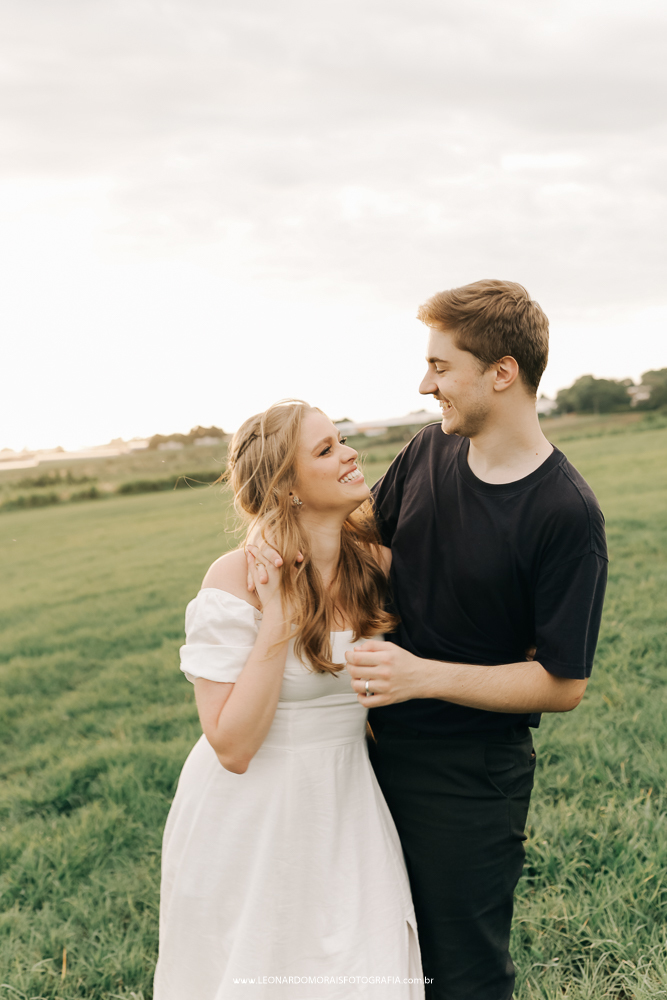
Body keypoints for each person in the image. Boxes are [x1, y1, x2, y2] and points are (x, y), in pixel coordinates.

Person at [342, 280, 609, 1000]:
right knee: (376, 948)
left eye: (440, 366)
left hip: (467, 777)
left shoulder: (565, 512)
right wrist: (275, 547)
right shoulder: (426, 450)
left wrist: (419, 676)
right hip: (363, 749)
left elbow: (562, 683)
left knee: (459, 970)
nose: (424, 385)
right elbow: (360, 538)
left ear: (501, 372)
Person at [153, 400, 424, 1000]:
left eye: (342, 440)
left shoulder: (377, 566)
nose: (351, 454)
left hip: (348, 803)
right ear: (287, 488)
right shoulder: (232, 580)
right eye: (326, 450)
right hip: (248, 818)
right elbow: (232, 745)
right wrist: (278, 614)